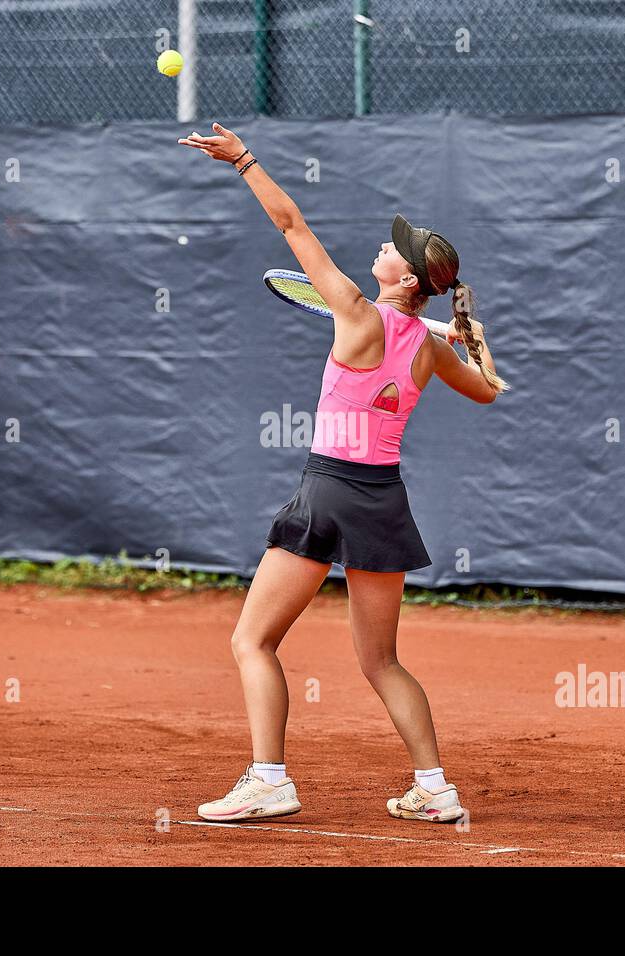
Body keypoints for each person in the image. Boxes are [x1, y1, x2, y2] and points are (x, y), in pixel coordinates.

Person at [178, 123, 506, 823]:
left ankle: (270, 779)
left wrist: (243, 160)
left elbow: (290, 221)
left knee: (253, 641)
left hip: (326, 491)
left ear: (408, 278)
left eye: (398, 248)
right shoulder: (433, 347)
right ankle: (435, 787)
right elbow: (487, 390)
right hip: (383, 500)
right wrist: (473, 337)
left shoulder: (354, 310)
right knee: (381, 660)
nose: (386, 245)